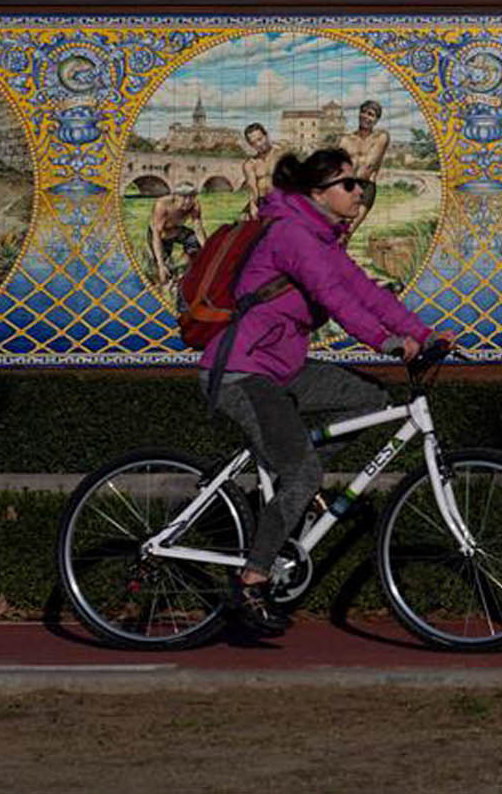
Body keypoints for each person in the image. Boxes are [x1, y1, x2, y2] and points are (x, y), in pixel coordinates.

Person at [199, 147, 448, 635]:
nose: (360, 192)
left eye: (359, 184)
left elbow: (367, 293)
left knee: (371, 401)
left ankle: (296, 475)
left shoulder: (322, 239)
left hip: (283, 368)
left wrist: (424, 332)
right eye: (349, 184)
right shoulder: (293, 235)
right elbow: (336, 301)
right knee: (301, 474)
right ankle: (252, 580)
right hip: (241, 372)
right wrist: (388, 342)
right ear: (318, 194)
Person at [339, 99, 389, 239]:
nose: (366, 117)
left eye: (371, 114)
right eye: (364, 112)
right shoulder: (346, 140)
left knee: (347, 232)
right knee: (335, 231)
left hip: (365, 188)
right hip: (347, 187)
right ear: (359, 114)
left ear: (376, 119)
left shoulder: (380, 137)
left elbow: (368, 167)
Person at [148, 181, 206, 286]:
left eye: (191, 197)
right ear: (175, 196)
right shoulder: (162, 205)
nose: (188, 202)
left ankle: (190, 270)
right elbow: (156, 235)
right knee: (163, 269)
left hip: (177, 230)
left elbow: (198, 229)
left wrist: (208, 250)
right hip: (162, 235)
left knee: (194, 241)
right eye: (184, 197)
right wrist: (161, 265)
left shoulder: (195, 205)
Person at [239, 123, 281, 221]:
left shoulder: (281, 155)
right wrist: (252, 205)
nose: (258, 144)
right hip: (262, 203)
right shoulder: (250, 164)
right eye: (253, 143)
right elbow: (253, 189)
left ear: (266, 135)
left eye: (260, 139)